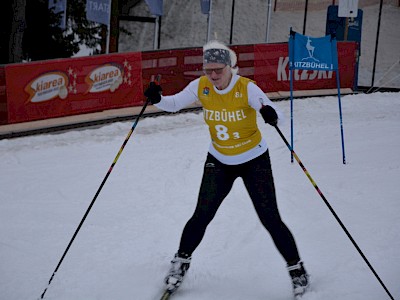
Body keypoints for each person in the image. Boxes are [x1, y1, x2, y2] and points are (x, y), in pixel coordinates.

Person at [144, 40, 309, 297]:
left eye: (218, 70)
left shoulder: (246, 88)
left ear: (231, 67)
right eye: (208, 70)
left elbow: (273, 110)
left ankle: (297, 270)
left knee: (270, 218)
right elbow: (174, 104)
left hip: (254, 160)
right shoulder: (201, 86)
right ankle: (180, 263)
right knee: (202, 215)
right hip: (220, 160)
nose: (212, 75)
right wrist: (157, 99)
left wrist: (269, 113)